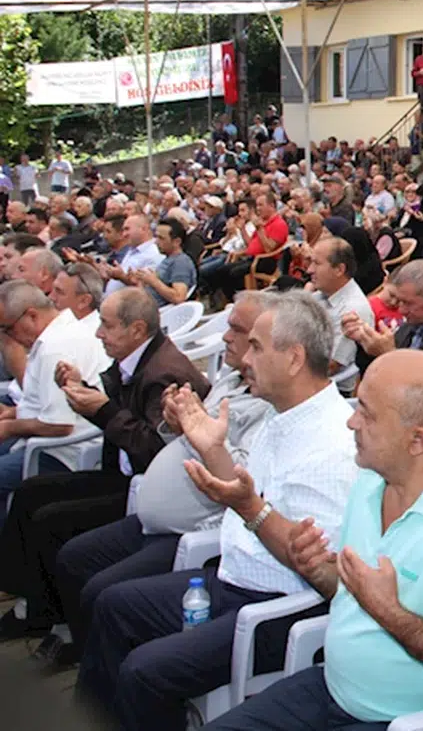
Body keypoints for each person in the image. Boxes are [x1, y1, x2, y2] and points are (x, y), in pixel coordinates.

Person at [199, 350, 423, 731]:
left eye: (367, 414)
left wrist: (387, 610)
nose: (351, 421)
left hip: (415, 721)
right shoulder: (372, 480)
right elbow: (350, 589)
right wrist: (317, 569)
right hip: (335, 692)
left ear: (416, 440)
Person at [77, 292, 358, 731]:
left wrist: (249, 507)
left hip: (276, 609)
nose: (244, 358)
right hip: (231, 579)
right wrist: (212, 448)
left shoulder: (331, 446)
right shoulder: (282, 415)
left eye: (257, 347)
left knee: (143, 672)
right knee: (113, 604)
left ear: (294, 359)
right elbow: (245, 491)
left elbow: (313, 564)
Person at [42, 293, 273, 669]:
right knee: (73, 557)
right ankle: (87, 654)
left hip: (195, 528)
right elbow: (175, 442)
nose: (227, 337)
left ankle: (102, 671)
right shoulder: (232, 380)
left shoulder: (267, 405)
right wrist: (176, 423)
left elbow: (238, 479)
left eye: (237, 329)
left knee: (106, 593)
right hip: (156, 511)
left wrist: (195, 432)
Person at [0, 288, 207, 639]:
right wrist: (81, 389)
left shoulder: (163, 374)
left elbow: (156, 450)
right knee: (29, 493)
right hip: (123, 473)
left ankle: (59, 623)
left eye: (107, 326)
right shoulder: (136, 360)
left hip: (145, 487)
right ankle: (30, 600)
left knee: (51, 521)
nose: (98, 334)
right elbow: (120, 416)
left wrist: (102, 410)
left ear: (137, 329)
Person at [0, 281, 108, 518]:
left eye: (7, 329)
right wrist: (13, 413)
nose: (9, 337)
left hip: (62, 451)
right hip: (50, 440)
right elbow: (45, 403)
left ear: (31, 316)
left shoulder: (55, 347)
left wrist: (9, 427)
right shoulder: (58, 333)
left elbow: (59, 425)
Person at [310, 236, 373, 392]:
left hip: (327, 390)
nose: (309, 269)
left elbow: (331, 366)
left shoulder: (353, 311)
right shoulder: (323, 295)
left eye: (317, 263)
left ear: (339, 269)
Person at [132, 217, 197, 306]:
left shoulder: (181, 262)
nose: (156, 242)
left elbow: (179, 297)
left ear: (177, 242)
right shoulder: (168, 259)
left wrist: (153, 281)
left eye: (161, 238)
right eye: (156, 237)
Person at [101, 214, 162, 296]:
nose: (124, 234)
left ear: (143, 229)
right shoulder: (132, 249)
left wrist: (122, 277)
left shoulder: (153, 254)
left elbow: (144, 290)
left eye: (127, 229)